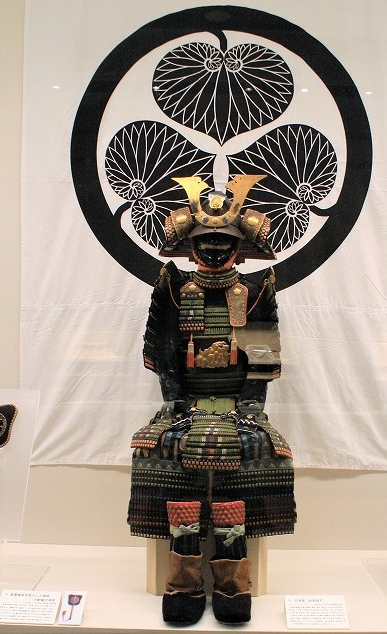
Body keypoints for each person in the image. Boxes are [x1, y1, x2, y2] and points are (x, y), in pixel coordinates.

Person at [128, 175, 296, 625]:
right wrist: (176, 405)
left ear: (240, 246)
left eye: (225, 240)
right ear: (191, 245)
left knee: (254, 448)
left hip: (241, 406)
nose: (216, 247)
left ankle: (233, 585)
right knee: (164, 447)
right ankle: (183, 582)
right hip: (185, 404)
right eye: (207, 240)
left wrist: (250, 410)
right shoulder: (172, 286)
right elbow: (167, 357)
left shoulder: (256, 290)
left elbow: (260, 363)